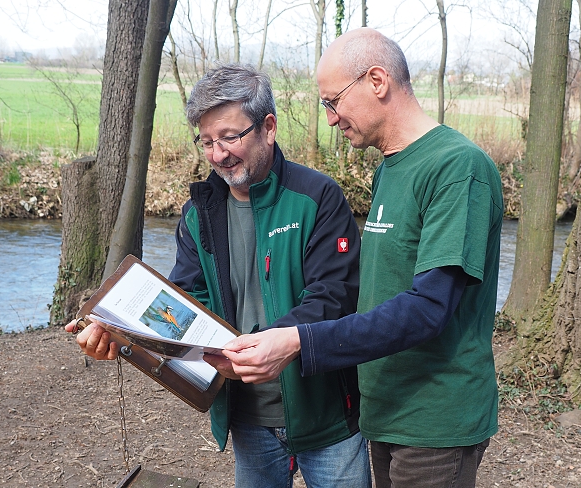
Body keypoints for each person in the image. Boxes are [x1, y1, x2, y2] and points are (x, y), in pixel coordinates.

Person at [220, 28, 503, 488]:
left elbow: (428, 308)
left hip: (434, 421)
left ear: (377, 81)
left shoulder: (457, 168)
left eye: (333, 102)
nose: (331, 118)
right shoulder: (391, 168)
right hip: (386, 410)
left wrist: (299, 341)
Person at [66, 63, 371, 488]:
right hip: (247, 418)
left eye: (229, 137)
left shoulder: (318, 197)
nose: (217, 154)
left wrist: (263, 347)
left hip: (327, 415)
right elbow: (188, 303)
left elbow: (334, 296)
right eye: (206, 141)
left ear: (268, 127)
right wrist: (126, 338)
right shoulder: (198, 213)